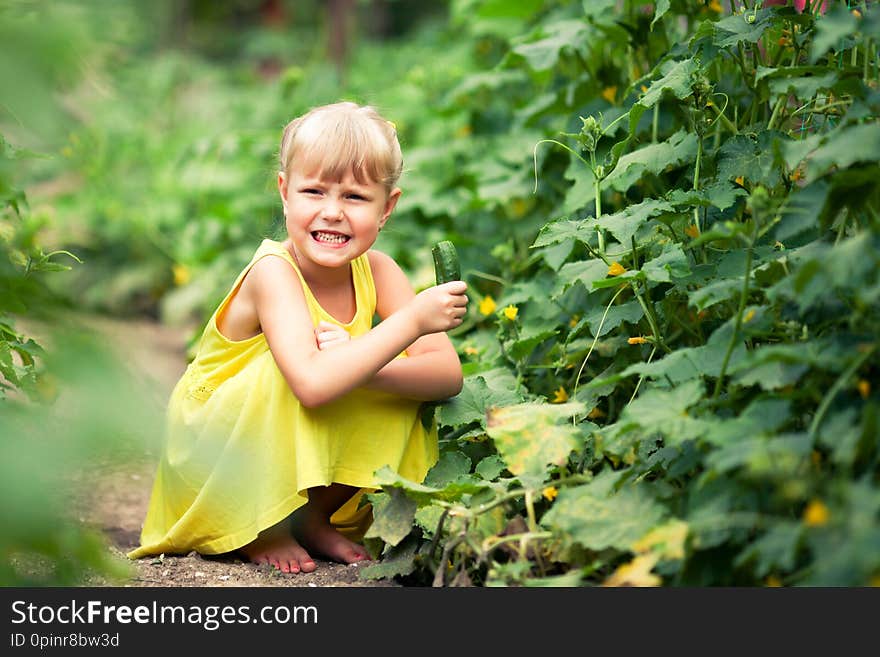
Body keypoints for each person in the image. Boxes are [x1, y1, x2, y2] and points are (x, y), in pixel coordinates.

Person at [128, 101, 468, 574]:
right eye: (313, 191)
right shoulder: (274, 272)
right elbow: (311, 383)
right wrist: (408, 323)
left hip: (273, 429)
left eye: (354, 197)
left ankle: (310, 514)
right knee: (297, 370)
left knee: (383, 377)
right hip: (215, 451)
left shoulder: (380, 271)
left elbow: (447, 376)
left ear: (387, 207)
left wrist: (364, 364)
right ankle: (262, 527)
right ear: (285, 193)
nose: (331, 213)